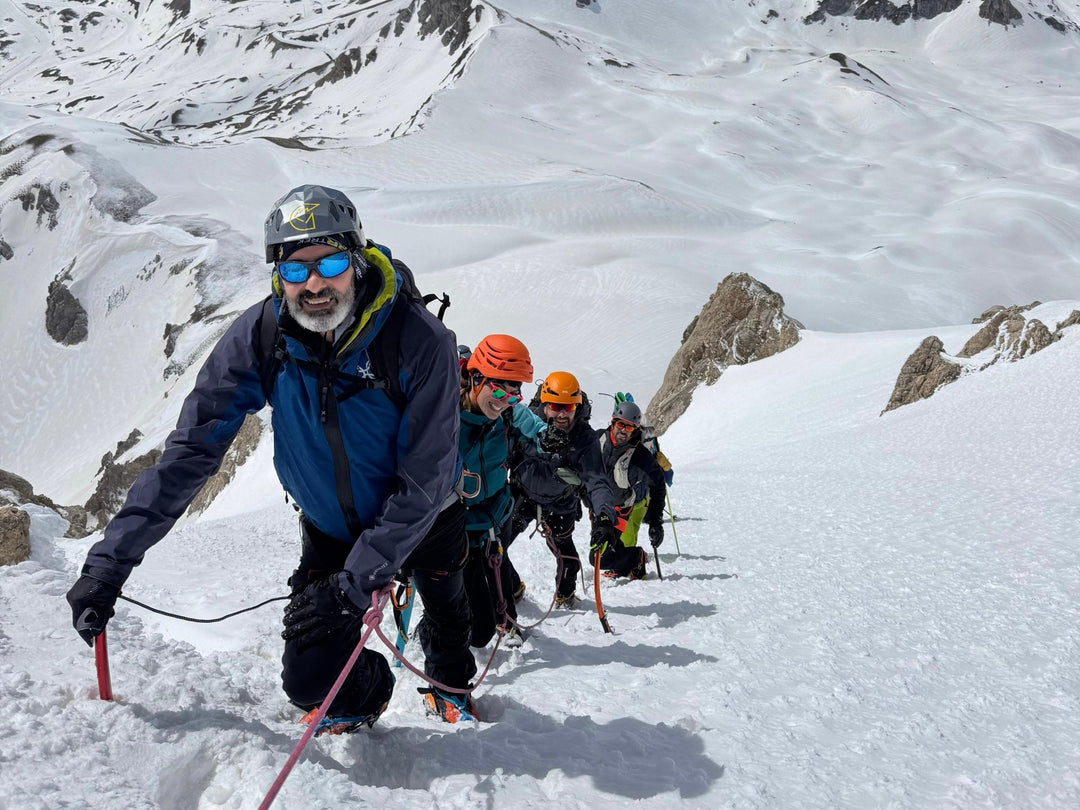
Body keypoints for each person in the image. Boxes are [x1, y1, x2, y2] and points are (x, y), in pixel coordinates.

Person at [65, 184, 478, 731]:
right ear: (276, 276)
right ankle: (365, 692)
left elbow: (423, 481)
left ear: (355, 258)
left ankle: (452, 687)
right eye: (294, 269)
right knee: (308, 682)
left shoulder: (418, 340)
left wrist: (353, 587)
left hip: (428, 519)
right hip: (334, 531)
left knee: (449, 614)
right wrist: (109, 564)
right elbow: (193, 450)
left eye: (329, 262)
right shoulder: (264, 335)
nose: (313, 283)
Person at [457, 336, 545, 648]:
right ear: (475, 377)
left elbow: (534, 427)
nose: (507, 398)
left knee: (498, 566)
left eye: (515, 391)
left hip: (494, 515)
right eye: (499, 388)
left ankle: (505, 621)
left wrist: (550, 440)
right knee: (473, 625)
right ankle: (440, 634)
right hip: (457, 526)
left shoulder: (507, 411)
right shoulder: (444, 415)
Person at [510, 371, 618, 608]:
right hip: (522, 497)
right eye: (556, 406)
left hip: (560, 503)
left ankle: (565, 595)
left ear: (577, 407)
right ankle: (513, 589)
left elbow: (597, 481)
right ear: (545, 404)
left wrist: (604, 518)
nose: (561, 413)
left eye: (568, 407)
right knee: (494, 550)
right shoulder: (524, 422)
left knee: (568, 560)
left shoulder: (583, 438)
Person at [591, 400, 667, 580]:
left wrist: (656, 521)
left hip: (620, 510)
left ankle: (635, 558)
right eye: (620, 424)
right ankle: (633, 562)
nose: (623, 431)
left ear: (635, 429)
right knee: (606, 548)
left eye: (630, 427)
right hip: (599, 508)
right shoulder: (595, 440)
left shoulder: (640, 456)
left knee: (598, 558)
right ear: (612, 421)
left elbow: (658, 484)